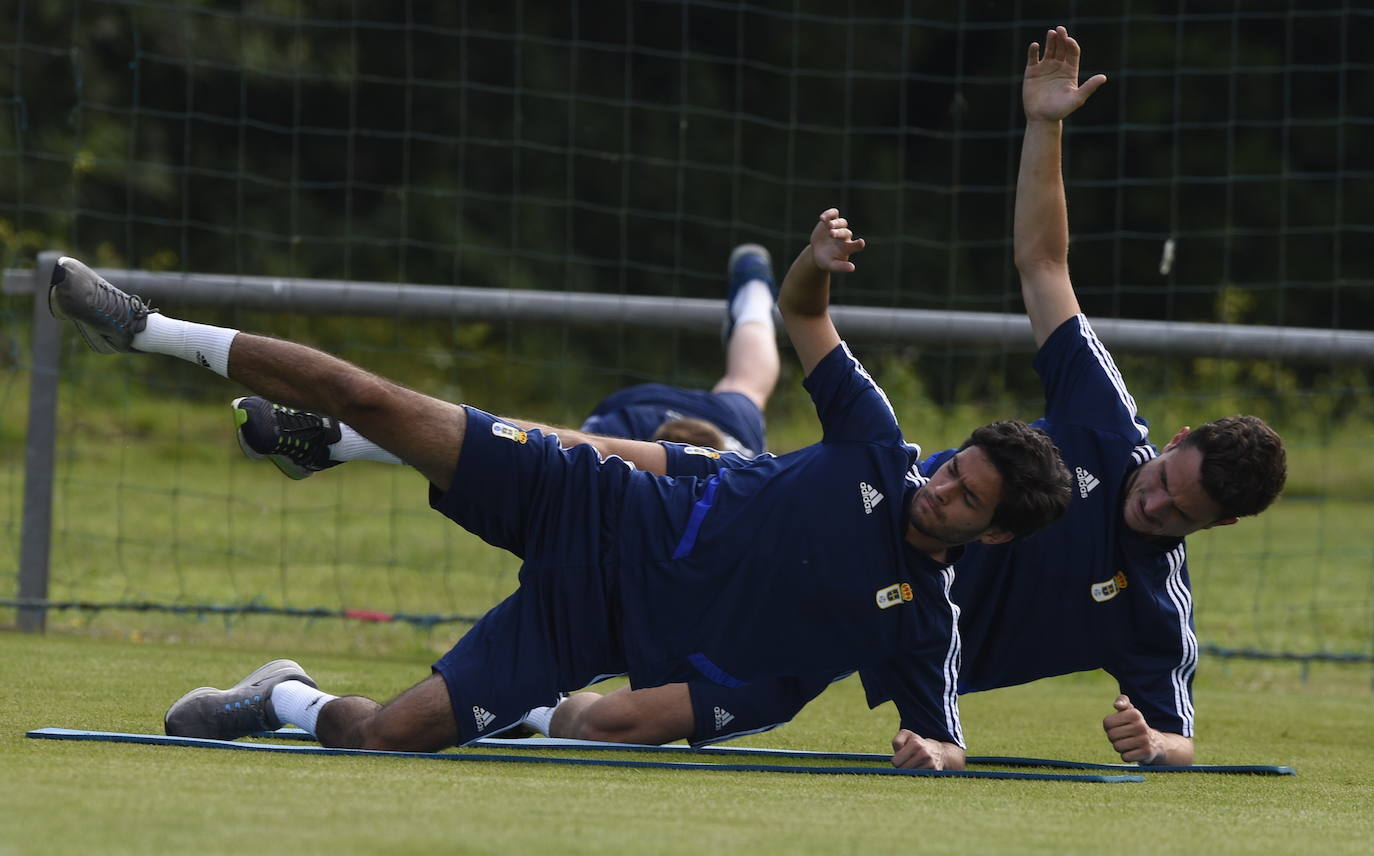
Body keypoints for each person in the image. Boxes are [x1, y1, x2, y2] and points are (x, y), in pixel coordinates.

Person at [509, 26, 1288, 766]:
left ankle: (528, 711)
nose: (1153, 503)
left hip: (856, 634)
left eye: (1180, 514)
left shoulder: (1154, 605)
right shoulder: (1104, 423)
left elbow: (1178, 735)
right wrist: (1045, 126)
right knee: (597, 460)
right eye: (1162, 480)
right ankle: (503, 595)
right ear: (1176, 439)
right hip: (811, 529)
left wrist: (1155, 746)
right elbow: (1044, 266)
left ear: (1218, 525)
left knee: (617, 723)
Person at [46, 207, 1074, 768]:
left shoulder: (924, 617)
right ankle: (148, 328)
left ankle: (283, 694)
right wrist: (811, 261)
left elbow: (943, 735)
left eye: (961, 499)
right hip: (590, 498)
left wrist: (933, 753)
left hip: (591, 625)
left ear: (989, 538)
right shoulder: (876, 444)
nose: (936, 489)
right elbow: (807, 320)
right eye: (951, 468)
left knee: (383, 740)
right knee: (379, 397)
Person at [226, 244, 780, 482]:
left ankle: (753, 282)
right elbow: (512, 448)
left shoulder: (750, 455)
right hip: (649, 434)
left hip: (716, 425)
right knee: (532, 457)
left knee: (750, 378)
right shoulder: (657, 456)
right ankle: (335, 440)